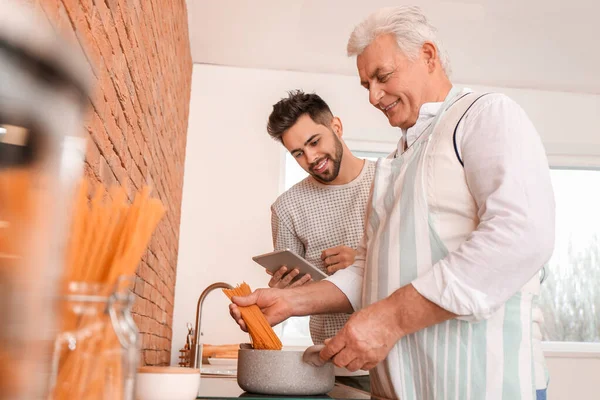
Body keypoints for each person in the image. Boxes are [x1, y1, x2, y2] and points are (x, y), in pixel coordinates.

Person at [231, 6, 554, 400]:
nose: (373, 96)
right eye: (366, 84)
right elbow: (372, 268)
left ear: (429, 56)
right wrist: (289, 301)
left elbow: (520, 238)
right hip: (403, 387)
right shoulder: (398, 161)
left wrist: (390, 318)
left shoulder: (484, 116)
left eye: (382, 77)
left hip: (480, 384)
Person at [264, 90, 375, 392]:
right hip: (334, 364)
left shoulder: (389, 181)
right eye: (298, 153)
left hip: (395, 356)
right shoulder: (286, 208)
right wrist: (284, 290)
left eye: (314, 142)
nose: (311, 158)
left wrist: (365, 263)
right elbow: (291, 292)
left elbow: (417, 265)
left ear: (336, 127)